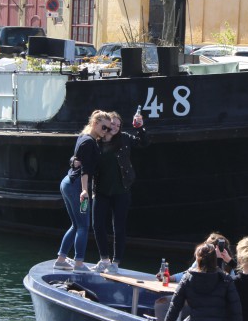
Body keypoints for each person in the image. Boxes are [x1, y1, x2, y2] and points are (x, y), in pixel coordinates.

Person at [55, 110, 112, 272]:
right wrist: (85, 190)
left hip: (68, 182)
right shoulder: (89, 142)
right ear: (95, 123)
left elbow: (77, 160)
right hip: (76, 185)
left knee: (75, 225)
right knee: (83, 226)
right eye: (104, 127)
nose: (105, 131)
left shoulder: (84, 137)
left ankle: (61, 259)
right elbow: (85, 169)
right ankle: (79, 263)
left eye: (108, 129)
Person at [92, 109, 148, 273]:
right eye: (113, 124)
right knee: (97, 225)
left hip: (121, 189)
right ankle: (104, 259)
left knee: (119, 226)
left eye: (118, 124)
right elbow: (80, 154)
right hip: (101, 189)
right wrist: (74, 161)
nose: (116, 127)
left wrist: (140, 128)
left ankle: (116, 262)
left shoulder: (124, 139)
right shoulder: (96, 141)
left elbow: (143, 142)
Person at [163, 242, 243, 321]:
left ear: (198, 259)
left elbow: (175, 305)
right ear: (214, 259)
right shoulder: (226, 279)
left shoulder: (187, 278)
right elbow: (235, 308)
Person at [159, 232, 234, 283]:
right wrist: (170, 278)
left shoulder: (228, 265)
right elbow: (188, 274)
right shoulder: (202, 261)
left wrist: (225, 261)